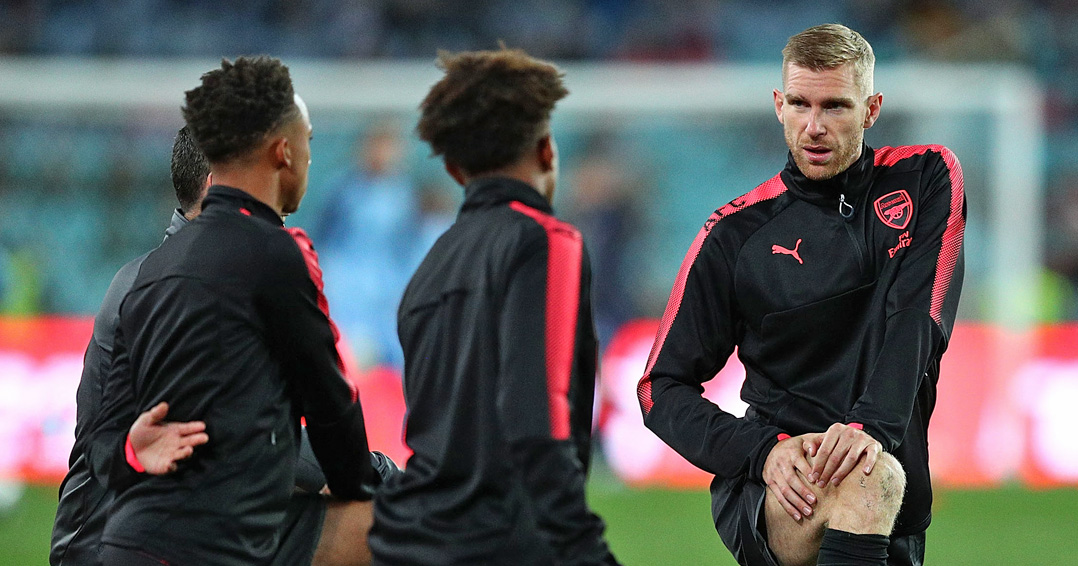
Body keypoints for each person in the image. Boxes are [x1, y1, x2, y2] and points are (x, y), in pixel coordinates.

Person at [637, 24, 965, 566]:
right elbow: (659, 387)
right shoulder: (734, 234)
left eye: (835, 106)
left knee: (873, 477)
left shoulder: (925, 177)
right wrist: (761, 452)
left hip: (894, 493)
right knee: (868, 476)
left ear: (872, 109)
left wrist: (868, 427)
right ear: (778, 104)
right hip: (779, 488)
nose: (814, 127)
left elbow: (919, 314)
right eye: (799, 104)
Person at [85, 56, 377, 566]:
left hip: (127, 544)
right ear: (285, 151)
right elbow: (332, 413)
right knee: (405, 519)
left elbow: (106, 441)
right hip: (211, 547)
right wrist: (377, 479)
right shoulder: (276, 255)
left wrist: (135, 451)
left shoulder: (152, 269)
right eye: (309, 139)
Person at [368, 48, 620, 566]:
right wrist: (582, 550)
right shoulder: (547, 242)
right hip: (502, 542)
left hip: (410, 541)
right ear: (547, 150)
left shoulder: (429, 268)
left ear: (456, 169)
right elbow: (537, 418)